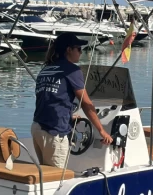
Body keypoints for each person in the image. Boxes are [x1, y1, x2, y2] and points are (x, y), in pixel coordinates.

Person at [31, 33, 113, 167]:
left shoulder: (46, 69)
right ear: (69, 50)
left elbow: (49, 99)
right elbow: (86, 104)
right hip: (54, 131)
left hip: (37, 128)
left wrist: (68, 116)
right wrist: (102, 131)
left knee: (45, 177)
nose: (81, 52)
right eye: (78, 49)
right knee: (55, 179)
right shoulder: (72, 70)